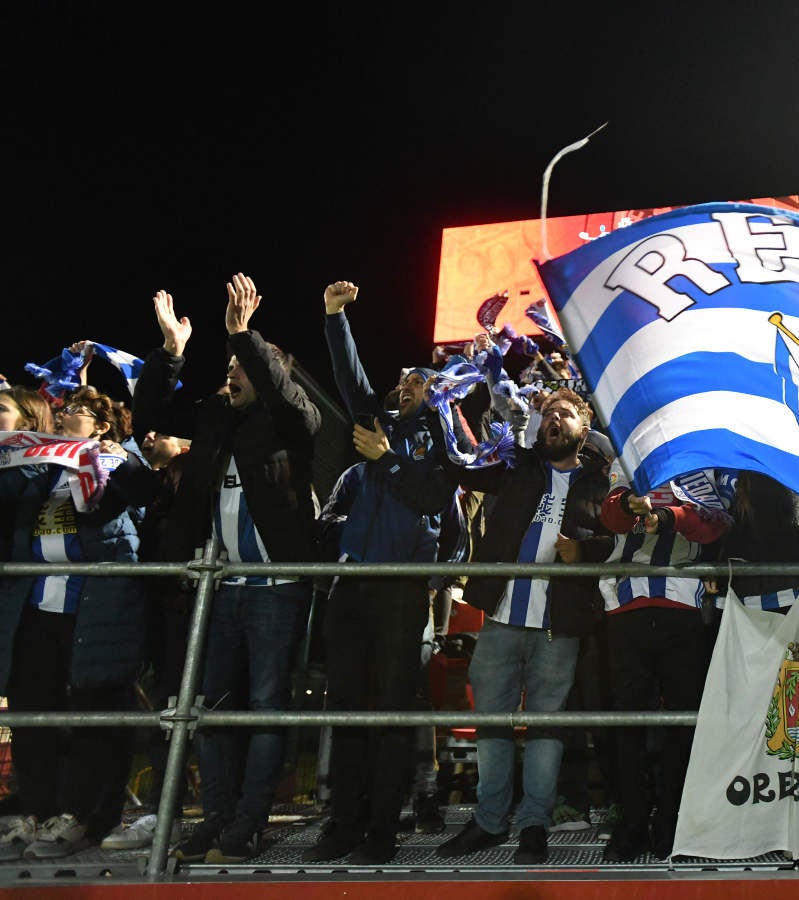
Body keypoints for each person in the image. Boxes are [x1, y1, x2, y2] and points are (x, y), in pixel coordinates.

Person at [134, 276, 320, 864]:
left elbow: (282, 394)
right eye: (227, 366)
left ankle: (249, 820)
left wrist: (244, 335)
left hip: (275, 591)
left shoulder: (294, 420)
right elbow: (151, 415)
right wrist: (170, 353)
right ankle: (215, 816)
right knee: (209, 706)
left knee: (266, 708)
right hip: (218, 589)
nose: (230, 375)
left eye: (242, 369)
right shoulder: (215, 415)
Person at [301, 280, 451, 865]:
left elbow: (434, 497)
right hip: (352, 582)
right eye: (404, 379)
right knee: (347, 707)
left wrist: (386, 460)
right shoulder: (375, 418)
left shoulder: (441, 438)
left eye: (421, 381)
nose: (406, 385)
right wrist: (335, 318)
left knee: (389, 712)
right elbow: (350, 378)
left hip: (400, 586)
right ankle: (343, 821)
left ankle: (383, 829)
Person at [433, 388, 613, 865]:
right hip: (501, 617)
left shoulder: (602, 481)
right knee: (492, 721)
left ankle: (534, 823)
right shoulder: (518, 467)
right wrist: (442, 408)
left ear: (585, 424)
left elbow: (615, 540)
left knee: (546, 727)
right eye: (548, 411)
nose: (554, 418)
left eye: (565, 413)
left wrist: (586, 550)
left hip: (561, 624)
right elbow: (460, 467)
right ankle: (489, 821)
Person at [0, 386, 156, 859]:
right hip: (36, 610)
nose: (66, 415)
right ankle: (38, 813)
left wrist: (120, 459)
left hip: (95, 613)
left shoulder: (113, 465)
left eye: (78, 412)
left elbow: (145, 492)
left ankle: (83, 816)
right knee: (33, 714)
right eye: (63, 409)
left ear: (102, 427)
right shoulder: (37, 471)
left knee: (93, 716)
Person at [596, 474, 726, 861]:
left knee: (681, 721)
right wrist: (627, 505)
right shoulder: (632, 454)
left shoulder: (701, 465)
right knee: (628, 721)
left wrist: (668, 517)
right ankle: (633, 821)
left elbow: (713, 526)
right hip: (626, 603)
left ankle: (671, 818)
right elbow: (609, 515)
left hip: (684, 606)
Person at [100, 429, 193, 851]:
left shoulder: (189, 472)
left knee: (176, 708)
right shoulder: (146, 483)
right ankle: (152, 810)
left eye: (163, 430)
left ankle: (167, 812)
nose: (150, 435)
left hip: (184, 608)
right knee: (157, 709)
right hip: (150, 606)